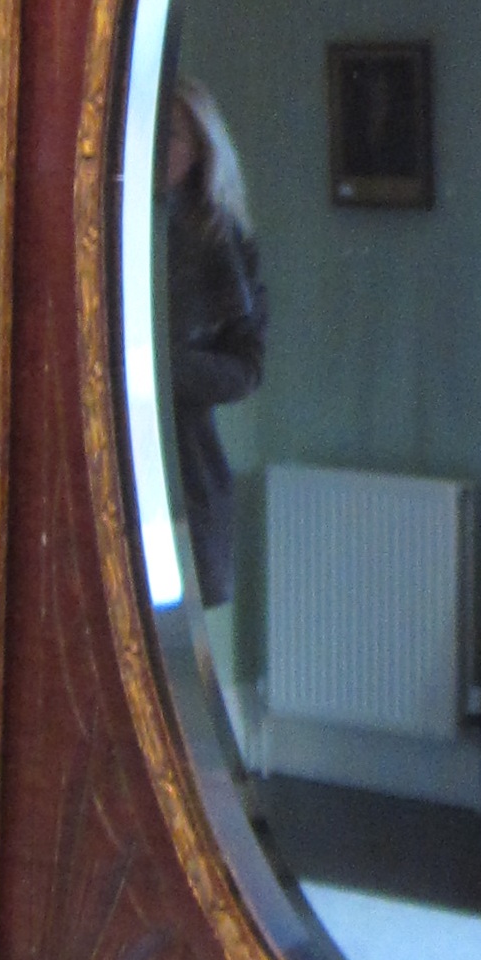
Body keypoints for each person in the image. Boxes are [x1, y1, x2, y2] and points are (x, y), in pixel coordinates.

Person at [163, 78, 268, 606]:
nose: (163, 147)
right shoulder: (113, 229)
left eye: (176, 135)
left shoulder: (216, 240)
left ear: (202, 146)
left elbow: (245, 366)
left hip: (186, 462)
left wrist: (165, 372)